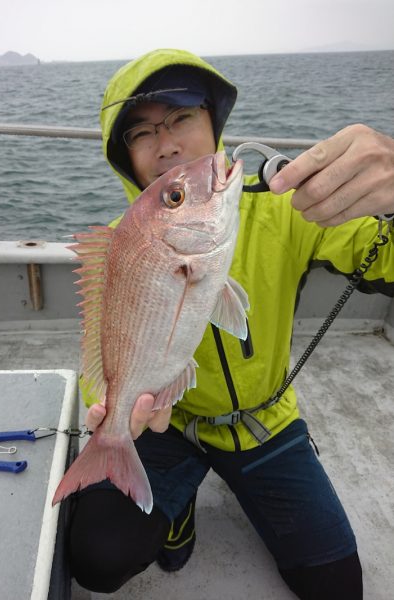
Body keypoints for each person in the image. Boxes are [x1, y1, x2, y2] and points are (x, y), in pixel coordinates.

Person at [67, 48, 394, 599]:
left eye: (182, 117)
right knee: (97, 556)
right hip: (170, 424)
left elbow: (381, 255)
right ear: (123, 156)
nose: (167, 143)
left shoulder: (291, 206)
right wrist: (110, 409)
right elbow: (107, 342)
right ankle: (179, 503)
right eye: (141, 133)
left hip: (266, 423)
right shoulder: (124, 243)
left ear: (214, 124)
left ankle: (198, 493)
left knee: (338, 588)